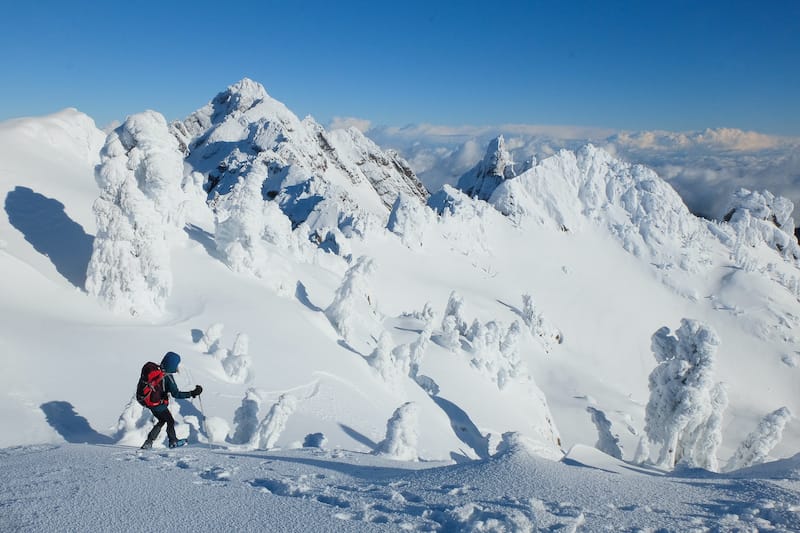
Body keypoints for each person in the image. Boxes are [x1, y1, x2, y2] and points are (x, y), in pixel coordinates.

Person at [141, 351, 203, 449]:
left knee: (162, 420)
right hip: (158, 404)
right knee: (170, 420)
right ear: (173, 365)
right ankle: (173, 441)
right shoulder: (168, 377)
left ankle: (148, 442)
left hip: (149, 402)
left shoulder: (156, 370)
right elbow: (176, 394)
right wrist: (192, 393)